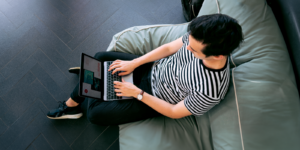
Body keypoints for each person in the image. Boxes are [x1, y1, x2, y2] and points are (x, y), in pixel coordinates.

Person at [47, 14, 244, 126]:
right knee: (100, 56)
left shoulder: (210, 91)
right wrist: (135, 63)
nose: (187, 47)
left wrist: (138, 94)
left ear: (218, 55)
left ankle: (81, 91)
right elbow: (168, 48)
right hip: (153, 69)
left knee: (95, 115)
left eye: (193, 50)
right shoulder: (200, 37)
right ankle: (83, 89)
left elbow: (174, 111)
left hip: (154, 97)